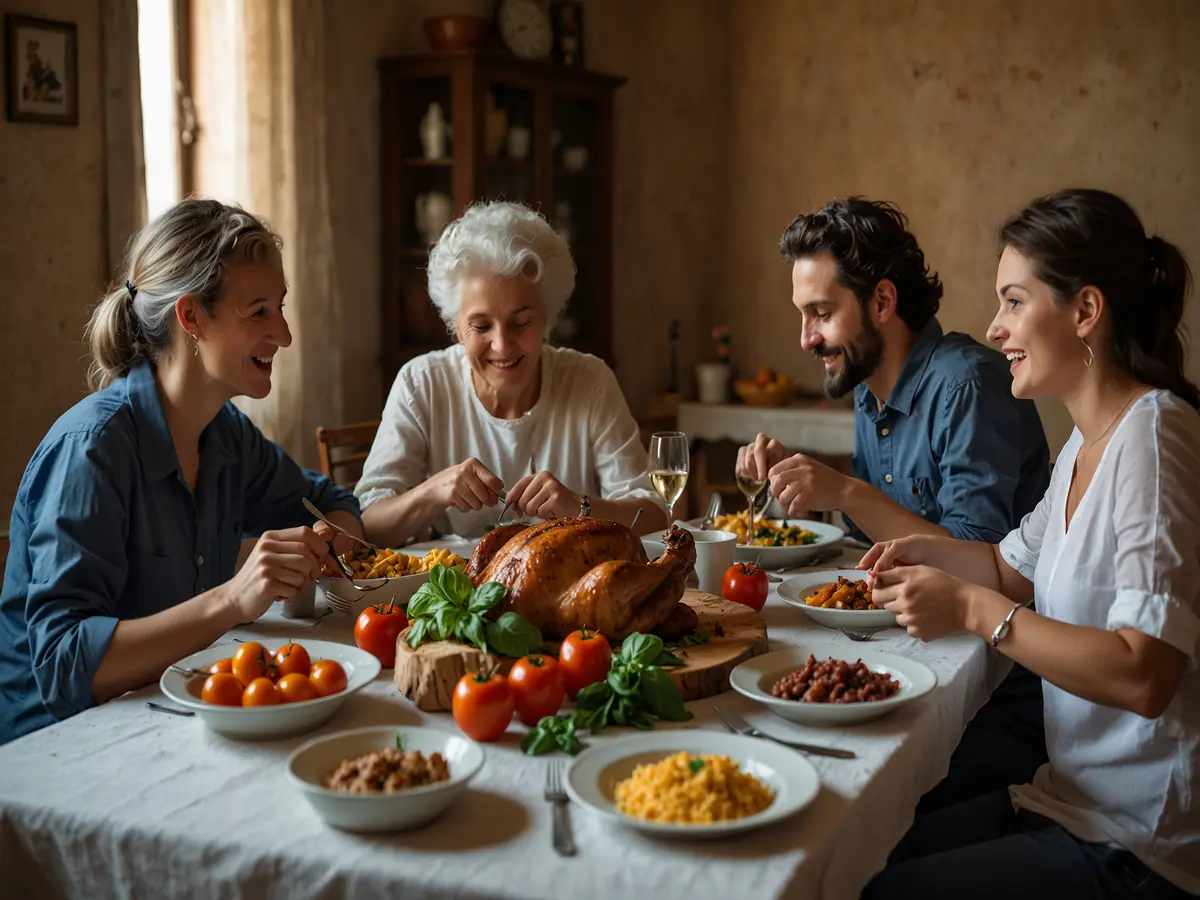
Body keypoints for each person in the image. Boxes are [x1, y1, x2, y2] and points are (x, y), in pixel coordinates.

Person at [861, 188, 1200, 899]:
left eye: (1014, 301)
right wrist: (915, 553)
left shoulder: (1154, 438)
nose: (995, 327)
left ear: (1086, 310)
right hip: (1066, 800)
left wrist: (972, 610)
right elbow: (1003, 565)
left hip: (1143, 843)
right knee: (864, 855)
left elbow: (1146, 675)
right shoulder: (1085, 443)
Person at [0, 199, 364, 746]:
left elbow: (332, 503)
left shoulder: (227, 433)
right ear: (191, 317)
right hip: (57, 749)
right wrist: (231, 599)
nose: (285, 335)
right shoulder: (92, 450)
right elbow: (63, 664)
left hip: (164, 720)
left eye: (280, 308)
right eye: (259, 312)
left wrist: (322, 542)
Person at [738, 197, 1052, 812]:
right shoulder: (868, 387)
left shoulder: (969, 382)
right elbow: (878, 537)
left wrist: (843, 490)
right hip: (919, 649)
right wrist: (801, 477)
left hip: (1003, 691)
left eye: (821, 312)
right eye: (803, 316)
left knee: (848, 797)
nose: (805, 338)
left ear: (882, 302)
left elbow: (978, 557)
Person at [355, 200, 664, 545]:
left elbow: (654, 514)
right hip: (456, 577)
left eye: (521, 322)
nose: (502, 346)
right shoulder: (421, 383)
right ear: (455, 328)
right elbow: (370, 524)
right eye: (480, 326)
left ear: (547, 316)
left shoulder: (590, 381)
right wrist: (433, 492)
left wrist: (580, 507)